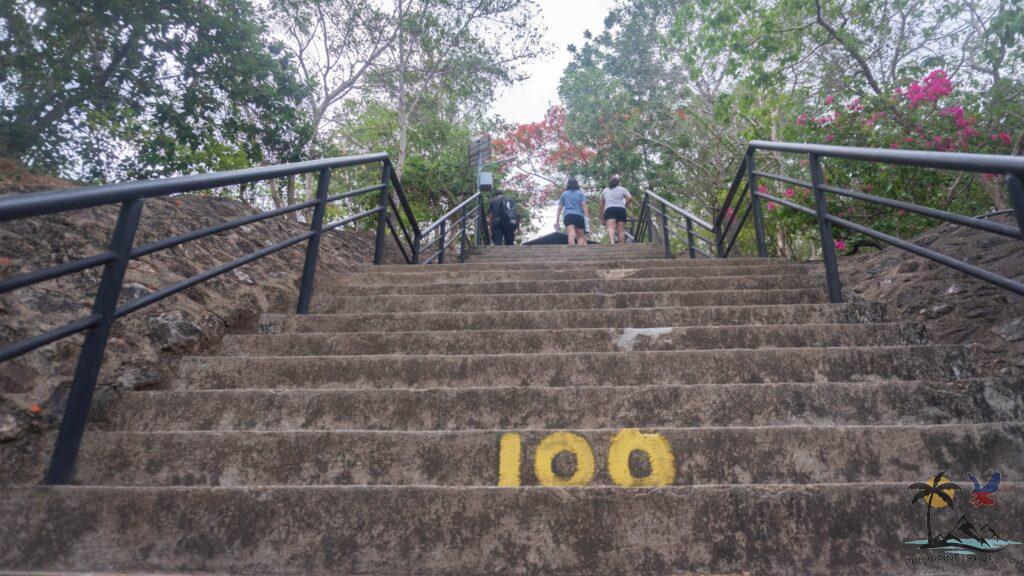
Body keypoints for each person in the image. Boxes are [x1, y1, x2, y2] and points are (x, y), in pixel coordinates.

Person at [554, 177, 589, 245]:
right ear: (577, 184)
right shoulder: (581, 194)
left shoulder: (564, 194)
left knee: (571, 234)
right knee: (580, 236)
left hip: (568, 215)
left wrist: (557, 221)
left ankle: (572, 251)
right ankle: (579, 252)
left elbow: (559, 208)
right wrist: (587, 217)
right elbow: (584, 205)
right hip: (579, 216)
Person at [599, 174, 632, 244]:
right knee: (621, 229)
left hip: (609, 209)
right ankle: (621, 245)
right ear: (618, 182)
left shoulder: (605, 191)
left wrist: (602, 217)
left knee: (611, 227)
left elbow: (601, 205)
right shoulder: (623, 189)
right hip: (621, 209)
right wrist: (625, 205)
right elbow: (629, 198)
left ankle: (612, 242)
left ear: (610, 182)